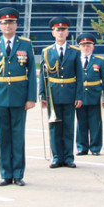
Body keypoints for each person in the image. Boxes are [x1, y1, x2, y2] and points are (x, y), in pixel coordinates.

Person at [0, 7, 36, 186]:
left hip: (20, 95)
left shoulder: (26, 44)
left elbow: (31, 72)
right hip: (0, 95)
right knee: (3, 136)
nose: (8, 26)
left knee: (18, 136)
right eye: (4, 23)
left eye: (11, 22)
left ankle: (18, 174)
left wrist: (31, 98)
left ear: (16, 25)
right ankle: (6, 173)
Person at [40, 17, 83, 169]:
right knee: (55, 126)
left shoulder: (75, 52)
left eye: (63, 30)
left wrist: (79, 95)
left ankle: (69, 157)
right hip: (53, 94)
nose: (60, 33)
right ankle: (57, 157)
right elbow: (43, 75)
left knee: (68, 126)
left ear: (68, 33)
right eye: (57, 30)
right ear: (53, 33)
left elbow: (80, 75)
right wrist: (42, 94)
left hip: (70, 93)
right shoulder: (46, 52)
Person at [76, 33, 104, 156]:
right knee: (81, 123)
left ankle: (95, 147)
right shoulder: (75, 60)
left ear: (93, 47)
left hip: (95, 95)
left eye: (88, 45)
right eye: (83, 45)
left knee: (95, 123)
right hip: (79, 96)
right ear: (79, 47)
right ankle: (82, 147)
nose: (86, 48)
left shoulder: (99, 61)